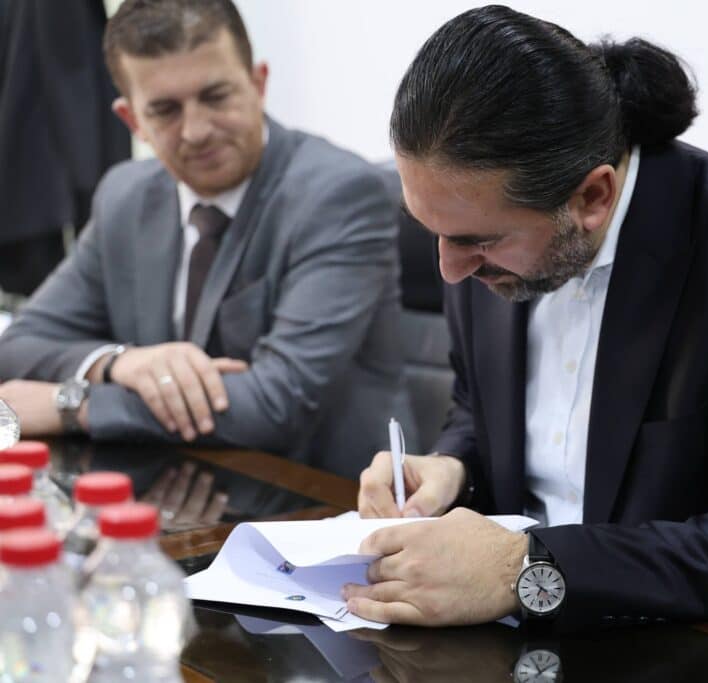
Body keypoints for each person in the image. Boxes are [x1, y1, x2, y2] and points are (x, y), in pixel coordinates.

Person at [352, 5, 708, 639]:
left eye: (477, 242)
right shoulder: (481, 224)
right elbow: (478, 412)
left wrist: (524, 568)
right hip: (526, 642)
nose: (450, 270)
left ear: (593, 197)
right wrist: (453, 469)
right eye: (431, 231)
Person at [0, 0, 413, 478]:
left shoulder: (339, 194)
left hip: (328, 499)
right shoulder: (125, 196)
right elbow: (18, 345)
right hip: (179, 490)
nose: (196, 131)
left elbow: (276, 403)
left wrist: (74, 404)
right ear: (132, 120)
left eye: (216, 97)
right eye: (165, 110)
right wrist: (118, 363)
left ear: (258, 84)